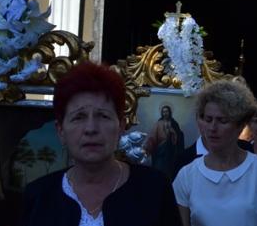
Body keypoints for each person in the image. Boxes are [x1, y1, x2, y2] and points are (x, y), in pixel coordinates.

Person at [20, 61, 179, 226]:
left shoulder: (154, 189)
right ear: (61, 130)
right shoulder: (38, 196)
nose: (91, 129)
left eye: (103, 116)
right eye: (79, 117)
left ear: (121, 126)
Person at [173, 80, 257, 226]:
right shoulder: (186, 176)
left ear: (240, 125)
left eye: (222, 121)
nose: (212, 128)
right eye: (208, 119)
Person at [146, 104, 185, 181]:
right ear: (161, 113)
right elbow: (153, 137)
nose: (165, 113)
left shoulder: (174, 123)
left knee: (169, 173)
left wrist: (173, 132)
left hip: (171, 153)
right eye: (163, 112)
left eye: (167, 111)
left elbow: (179, 136)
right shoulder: (158, 123)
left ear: (170, 112)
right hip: (160, 152)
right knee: (159, 171)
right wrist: (148, 147)